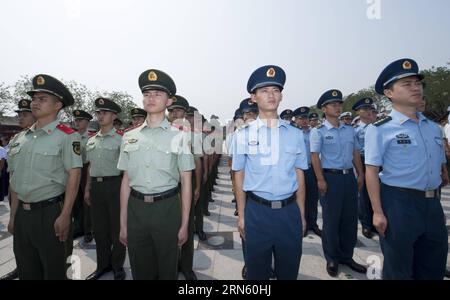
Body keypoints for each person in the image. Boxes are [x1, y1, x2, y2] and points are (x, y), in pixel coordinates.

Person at [365, 58, 448, 280]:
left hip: (432, 203)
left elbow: (440, 165)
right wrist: (377, 211)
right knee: (398, 268)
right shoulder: (380, 129)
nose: (415, 88)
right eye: (407, 84)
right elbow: (371, 171)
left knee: (433, 264)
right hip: (399, 204)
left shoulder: (433, 128)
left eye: (417, 83)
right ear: (389, 93)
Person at [232, 65, 308, 280]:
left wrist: (301, 214)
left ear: (281, 95)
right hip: (257, 212)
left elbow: (299, 175)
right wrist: (242, 214)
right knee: (256, 274)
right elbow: (239, 175)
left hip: (289, 211)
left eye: (275, 90)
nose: (271, 95)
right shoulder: (242, 135)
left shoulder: (295, 135)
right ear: (253, 97)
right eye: (264, 91)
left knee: (288, 270)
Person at [118, 69, 194, 280]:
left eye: (157, 94)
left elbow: (186, 182)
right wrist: (123, 223)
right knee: (140, 270)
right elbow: (125, 181)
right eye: (147, 93)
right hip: (136, 209)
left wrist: (185, 224)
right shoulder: (129, 137)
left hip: (167, 209)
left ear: (169, 100)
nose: (150, 98)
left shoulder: (179, 136)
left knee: (167, 271)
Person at [7, 74, 82, 280]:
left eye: (42, 99)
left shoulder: (67, 136)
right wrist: (13, 216)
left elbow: (74, 175)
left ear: (58, 105)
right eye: (34, 98)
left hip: (50, 212)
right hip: (23, 213)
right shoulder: (20, 139)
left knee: (55, 270)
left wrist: (66, 214)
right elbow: (15, 181)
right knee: (26, 269)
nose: (35, 103)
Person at [310, 89, 367, 278]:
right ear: (324, 109)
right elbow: (315, 157)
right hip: (330, 178)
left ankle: (347, 256)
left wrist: (360, 174)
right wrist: (320, 179)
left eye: (339, 104)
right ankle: (332, 257)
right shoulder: (319, 132)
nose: (337, 106)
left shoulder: (349, 129)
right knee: (332, 220)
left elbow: (355, 153)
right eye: (333, 104)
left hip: (348, 177)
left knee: (350, 219)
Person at [84, 98, 126, 280]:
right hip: (96, 187)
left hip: (115, 185)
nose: (101, 116)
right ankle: (102, 265)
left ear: (114, 115)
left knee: (117, 229)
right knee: (99, 230)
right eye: (98, 113)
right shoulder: (91, 140)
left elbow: (127, 170)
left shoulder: (122, 139)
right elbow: (90, 167)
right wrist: (87, 188)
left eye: (105, 113)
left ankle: (117, 266)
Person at [0, 99, 36, 281]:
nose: (20, 117)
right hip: (19, 198)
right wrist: (12, 215)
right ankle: (21, 268)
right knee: (20, 243)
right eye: (19, 114)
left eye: (25, 114)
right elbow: (13, 178)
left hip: (43, 201)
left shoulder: (52, 137)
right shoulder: (15, 141)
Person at [293, 107, 321, 237]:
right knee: (299, 198)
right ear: (295, 120)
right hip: (297, 170)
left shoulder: (314, 132)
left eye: (306, 118)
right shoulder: (292, 133)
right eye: (301, 118)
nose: (304, 121)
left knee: (313, 198)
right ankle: (300, 223)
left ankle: (313, 224)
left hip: (311, 169)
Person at [352, 98, 377, 239]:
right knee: (364, 194)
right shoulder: (355, 130)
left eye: (370, 109)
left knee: (378, 193)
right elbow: (354, 151)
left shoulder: (379, 126)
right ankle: (366, 224)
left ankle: (376, 221)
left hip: (378, 162)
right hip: (363, 160)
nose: (368, 112)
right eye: (365, 109)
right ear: (358, 112)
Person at [72, 110, 94, 244]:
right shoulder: (70, 136)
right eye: (76, 120)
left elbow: (90, 160)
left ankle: (88, 230)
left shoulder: (91, 138)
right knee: (75, 201)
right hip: (72, 170)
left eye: (80, 120)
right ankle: (78, 227)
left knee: (87, 202)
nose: (77, 122)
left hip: (85, 170)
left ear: (87, 122)